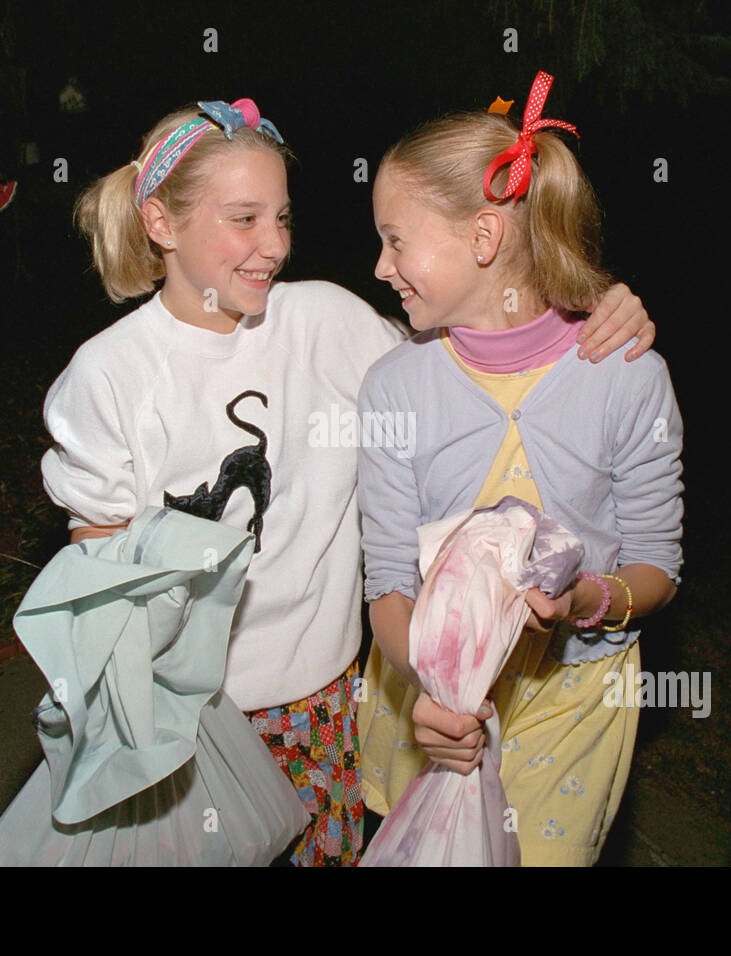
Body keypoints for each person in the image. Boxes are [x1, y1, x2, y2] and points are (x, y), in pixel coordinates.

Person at [40, 95, 658, 866]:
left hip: (322, 706)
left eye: (283, 218)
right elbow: (98, 587)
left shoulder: (328, 324)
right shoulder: (108, 377)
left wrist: (598, 308)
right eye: (244, 219)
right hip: (187, 723)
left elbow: (475, 343)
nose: (272, 245)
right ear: (162, 225)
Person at [357, 71, 684, 866]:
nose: (379, 266)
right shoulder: (395, 385)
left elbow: (658, 567)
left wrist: (586, 598)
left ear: (482, 239)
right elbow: (389, 584)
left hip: (569, 705)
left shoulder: (627, 374)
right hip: (427, 698)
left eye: (396, 239)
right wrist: (436, 690)